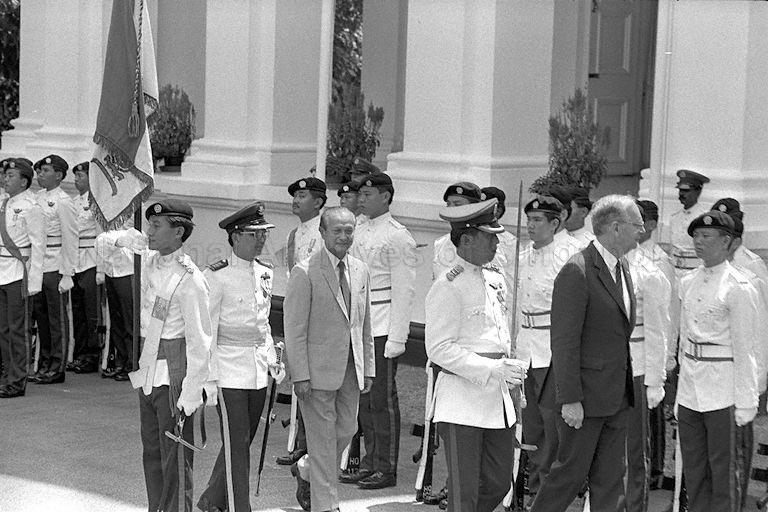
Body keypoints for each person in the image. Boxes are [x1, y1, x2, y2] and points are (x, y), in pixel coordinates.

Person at [530, 195, 643, 512]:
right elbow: (564, 341)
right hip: (585, 398)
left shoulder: (621, 268)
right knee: (568, 475)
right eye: (637, 225)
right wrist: (569, 399)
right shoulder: (577, 270)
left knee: (610, 480)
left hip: (616, 396)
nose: (642, 231)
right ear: (617, 227)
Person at [425, 197, 526, 512]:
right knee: (463, 493)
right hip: (462, 401)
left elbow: (502, 335)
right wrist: (491, 369)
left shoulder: (495, 279)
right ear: (466, 239)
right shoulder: (447, 285)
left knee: (498, 483)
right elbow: (439, 348)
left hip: (497, 399)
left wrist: (511, 380)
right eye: (490, 235)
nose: (497, 241)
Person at [113, 199, 212, 512]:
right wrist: (120, 238)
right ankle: (156, 506)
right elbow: (103, 251)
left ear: (178, 231)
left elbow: (200, 340)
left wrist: (193, 391)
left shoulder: (190, 278)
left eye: (157, 226)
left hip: (173, 374)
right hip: (147, 371)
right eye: (149, 225)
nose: (149, 232)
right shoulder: (148, 261)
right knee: (152, 451)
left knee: (176, 456)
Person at [284, 206, 375, 512]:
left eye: (349, 230)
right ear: (322, 233)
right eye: (337, 230)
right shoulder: (304, 272)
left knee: (346, 431)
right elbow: (294, 330)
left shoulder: (361, 270)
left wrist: (370, 368)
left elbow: (364, 324)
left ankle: (307, 467)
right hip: (316, 372)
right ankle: (327, 505)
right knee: (323, 442)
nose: (344, 237)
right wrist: (300, 376)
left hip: (352, 369)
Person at [197, 202, 286, 512]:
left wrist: (274, 358)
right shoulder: (215, 275)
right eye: (252, 234)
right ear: (235, 237)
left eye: (263, 234)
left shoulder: (265, 271)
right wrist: (207, 378)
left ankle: (212, 499)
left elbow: (263, 324)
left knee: (243, 439)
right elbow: (206, 331)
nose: (260, 240)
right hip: (229, 370)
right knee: (237, 444)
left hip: (258, 369)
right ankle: (239, 506)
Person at [676, 210, 760, 512]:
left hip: (723, 388)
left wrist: (747, 400)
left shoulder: (739, 285)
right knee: (695, 471)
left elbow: (747, 346)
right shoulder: (687, 282)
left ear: (727, 242)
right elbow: (684, 339)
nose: (699, 242)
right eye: (696, 236)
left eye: (706, 237)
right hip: (691, 388)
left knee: (724, 472)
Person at [350, 173, 417, 490]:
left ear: (386, 197)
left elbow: (404, 291)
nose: (361, 199)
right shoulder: (357, 229)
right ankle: (370, 461)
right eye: (360, 194)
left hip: (381, 323)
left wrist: (397, 337)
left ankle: (386, 467)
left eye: (368, 193)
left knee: (381, 399)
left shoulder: (397, 236)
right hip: (358, 322)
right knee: (363, 398)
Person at [516, 195, 580, 504]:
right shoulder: (523, 255)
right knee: (530, 422)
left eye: (538, 220)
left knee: (551, 423)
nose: (530, 225)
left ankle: (547, 489)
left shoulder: (569, 256)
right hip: (525, 346)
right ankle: (531, 483)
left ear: (556, 223)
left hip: (550, 347)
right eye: (529, 219)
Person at [278, 175, 327, 468]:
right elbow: (291, 276)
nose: (296, 200)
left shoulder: (324, 233)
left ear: (319, 202)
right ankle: (298, 444)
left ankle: (311, 446)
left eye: (304, 196)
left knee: (315, 384)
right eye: (295, 196)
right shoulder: (294, 235)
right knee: (300, 380)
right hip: (299, 315)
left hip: (319, 318)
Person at [625, 227, 672, 512]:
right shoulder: (599, 265)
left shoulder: (649, 273)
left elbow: (657, 331)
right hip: (604, 368)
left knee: (633, 448)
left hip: (637, 366)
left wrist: (656, 380)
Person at [29, 155, 78, 385]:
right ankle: (44, 361)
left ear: (59, 175)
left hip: (56, 263)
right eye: (39, 171)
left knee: (56, 318)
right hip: (38, 264)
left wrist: (67, 272)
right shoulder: (37, 198)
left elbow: (71, 238)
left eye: (46, 170)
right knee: (42, 316)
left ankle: (57, 365)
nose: (40, 174)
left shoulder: (64, 201)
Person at [0, 159, 45, 398]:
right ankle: (7, 374)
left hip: (19, 273)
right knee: (3, 329)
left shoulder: (31, 206)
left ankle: (18, 379)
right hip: (1, 271)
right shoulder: (4, 203)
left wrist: (35, 282)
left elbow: (39, 246)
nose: (5, 179)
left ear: (24, 181)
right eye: (5, 175)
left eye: (11, 176)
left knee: (17, 329)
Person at [67, 162, 101, 374]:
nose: (77, 180)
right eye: (76, 176)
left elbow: (99, 233)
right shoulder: (73, 202)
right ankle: (79, 351)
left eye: (81, 176)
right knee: (77, 308)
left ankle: (91, 353)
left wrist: (101, 268)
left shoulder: (97, 202)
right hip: (75, 259)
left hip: (91, 258)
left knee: (91, 310)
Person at [95, 221, 135, 381]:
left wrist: (111, 240)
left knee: (129, 320)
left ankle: (132, 362)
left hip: (128, 270)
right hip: (111, 270)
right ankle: (121, 360)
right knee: (116, 319)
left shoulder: (134, 207)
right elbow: (100, 242)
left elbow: (131, 236)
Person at [663, 170, 710, 274]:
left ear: (698, 192)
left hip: (695, 273)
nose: (682, 194)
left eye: (686, 191)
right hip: (676, 273)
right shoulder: (674, 218)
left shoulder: (704, 219)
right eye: (680, 190)